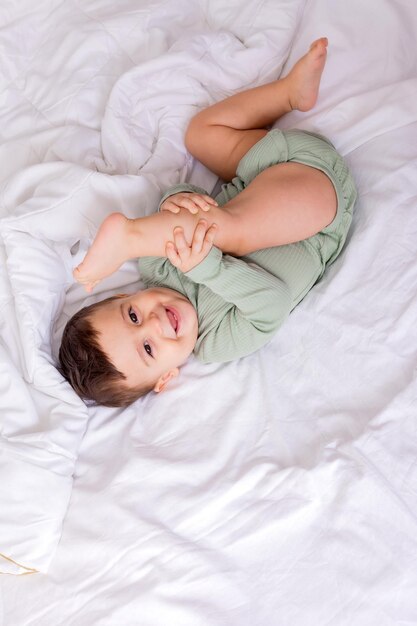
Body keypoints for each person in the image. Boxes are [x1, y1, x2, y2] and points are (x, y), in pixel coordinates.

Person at [58, 38, 357, 407]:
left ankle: (289, 95)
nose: (154, 323)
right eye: (149, 349)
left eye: (132, 315)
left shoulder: (157, 263)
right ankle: (126, 236)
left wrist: (175, 199)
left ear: (125, 295)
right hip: (318, 203)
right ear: (166, 378)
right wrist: (207, 269)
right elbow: (272, 302)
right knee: (230, 232)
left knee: (199, 133)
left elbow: (189, 197)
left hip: (263, 166)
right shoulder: (217, 340)